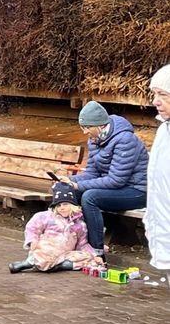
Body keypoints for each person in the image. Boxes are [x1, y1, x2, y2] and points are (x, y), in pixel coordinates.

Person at [55, 100, 147, 260]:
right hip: (118, 187)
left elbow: (116, 180)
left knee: (90, 197)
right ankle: (72, 242)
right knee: (67, 193)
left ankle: (96, 252)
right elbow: (91, 172)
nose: (84, 132)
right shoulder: (95, 139)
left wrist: (78, 185)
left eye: (87, 128)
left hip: (137, 191)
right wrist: (69, 182)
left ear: (100, 125)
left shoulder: (125, 140)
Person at [9, 183, 102, 273]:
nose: (62, 208)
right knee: (44, 254)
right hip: (46, 250)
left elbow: (82, 244)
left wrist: (94, 255)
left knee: (87, 257)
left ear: (73, 206)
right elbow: (32, 227)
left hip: (64, 255)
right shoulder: (47, 217)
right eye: (58, 205)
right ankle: (27, 263)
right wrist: (33, 241)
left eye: (65, 204)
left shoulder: (80, 225)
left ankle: (60, 266)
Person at [145, 64, 170, 280]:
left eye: (163, 94)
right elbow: (156, 183)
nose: (155, 101)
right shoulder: (163, 130)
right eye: (154, 94)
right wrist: (150, 220)